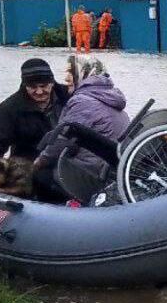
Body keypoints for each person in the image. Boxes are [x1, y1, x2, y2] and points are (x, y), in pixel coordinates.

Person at [35, 55, 129, 203]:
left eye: (70, 72)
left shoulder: (82, 101)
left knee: (41, 175)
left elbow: (61, 140)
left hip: (94, 172)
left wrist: (38, 163)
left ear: (84, 73)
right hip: (111, 169)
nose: (66, 78)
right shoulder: (108, 95)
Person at [0, 58, 70, 162]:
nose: (39, 92)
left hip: (69, 162)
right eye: (33, 87)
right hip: (29, 167)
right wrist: (0, 171)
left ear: (52, 82)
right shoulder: (10, 108)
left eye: (43, 86)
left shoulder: (70, 98)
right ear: (24, 85)